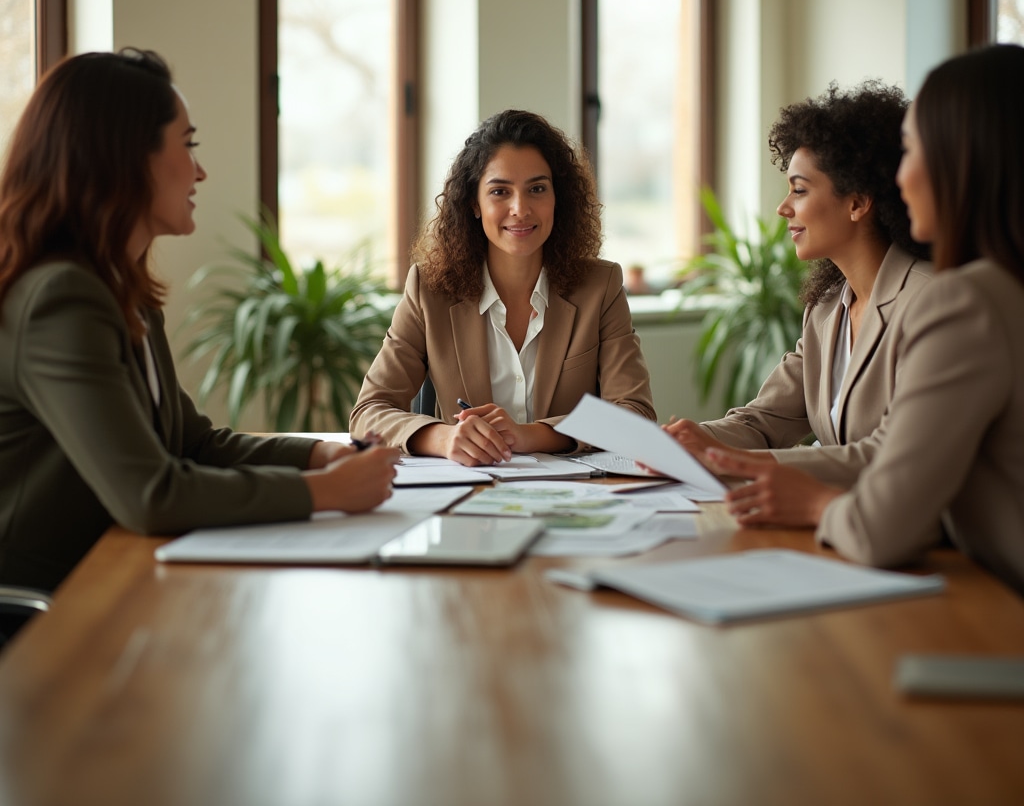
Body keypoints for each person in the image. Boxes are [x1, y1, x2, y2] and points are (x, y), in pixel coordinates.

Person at [0, 50, 399, 595]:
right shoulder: (60, 300)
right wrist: (325, 493)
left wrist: (317, 455)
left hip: (116, 577)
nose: (200, 170)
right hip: (44, 614)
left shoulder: (124, 291)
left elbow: (193, 444)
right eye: (187, 146)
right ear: (123, 159)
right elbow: (150, 494)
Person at [711, 44, 1024, 595]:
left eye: (912, 151)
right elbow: (766, 418)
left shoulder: (958, 301)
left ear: (961, 160)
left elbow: (883, 517)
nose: (900, 179)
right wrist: (699, 448)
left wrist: (810, 499)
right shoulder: (829, 307)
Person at [350, 108, 656, 465]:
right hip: (469, 496)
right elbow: (368, 412)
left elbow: (636, 416)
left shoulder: (600, 287)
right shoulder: (428, 289)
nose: (520, 209)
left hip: (572, 501)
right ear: (474, 204)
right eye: (499, 191)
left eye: (537, 189)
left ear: (559, 197)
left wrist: (531, 434)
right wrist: (444, 437)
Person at [667, 80, 931, 487]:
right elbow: (764, 420)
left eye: (799, 190)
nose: (783, 207)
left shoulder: (929, 301)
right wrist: (690, 440)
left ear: (858, 202)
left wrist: (743, 464)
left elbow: (893, 454)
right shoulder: (826, 309)